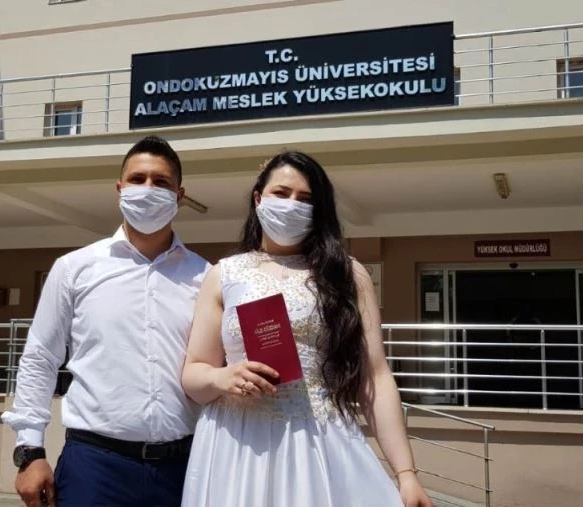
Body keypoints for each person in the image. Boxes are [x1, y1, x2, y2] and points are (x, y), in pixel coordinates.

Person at [181, 151, 432, 507]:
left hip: (317, 437)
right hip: (236, 442)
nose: (292, 205)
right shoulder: (224, 274)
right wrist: (222, 378)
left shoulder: (347, 274)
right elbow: (193, 373)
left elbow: (375, 377)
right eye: (281, 193)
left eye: (306, 199)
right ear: (259, 199)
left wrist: (406, 474)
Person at [1, 136, 210, 507]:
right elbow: (40, 358)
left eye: (161, 182)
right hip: (95, 468)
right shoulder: (75, 269)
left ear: (179, 195)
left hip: (183, 468)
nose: (148, 188)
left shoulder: (205, 277)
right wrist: (29, 451)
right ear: (119, 189)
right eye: (138, 179)